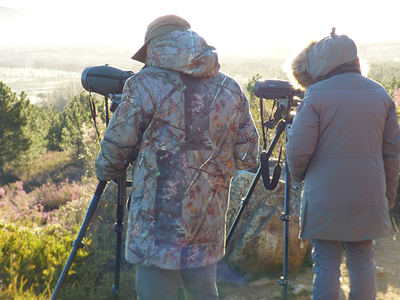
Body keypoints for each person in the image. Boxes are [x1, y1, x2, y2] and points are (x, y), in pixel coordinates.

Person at [95, 15, 259, 300]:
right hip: (206, 223)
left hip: (155, 228)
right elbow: (249, 157)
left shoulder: (143, 85)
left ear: (153, 48)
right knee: (205, 294)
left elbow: (114, 153)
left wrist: (104, 169)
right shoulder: (231, 89)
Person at [286, 32, 400, 300]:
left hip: (325, 196)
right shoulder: (380, 94)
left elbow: (298, 150)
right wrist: (388, 196)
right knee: (363, 259)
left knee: (326, 262)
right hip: (369, 195)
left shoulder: (314, 95)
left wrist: (300, 176)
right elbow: (392, 153)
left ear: (321, 62)